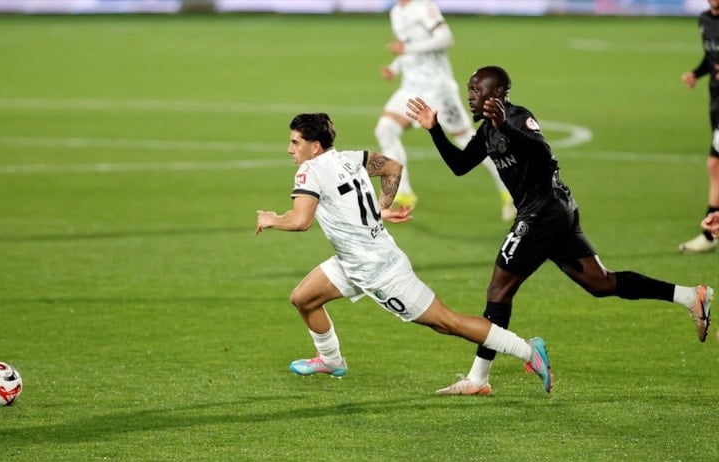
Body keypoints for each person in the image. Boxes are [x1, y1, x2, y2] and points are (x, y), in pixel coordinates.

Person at [405, 66, 714, 396]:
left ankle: (479, 378)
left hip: (543, 212)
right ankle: (690, 297)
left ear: (496, 94)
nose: (470, 96)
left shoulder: (518, 118)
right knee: (600, 282)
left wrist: (505, 127)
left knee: (499, 289)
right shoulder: (486, 131)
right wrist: (435, 130)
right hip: (551, 212)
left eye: (475, 89)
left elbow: (542, 153)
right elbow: (460, 165)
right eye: (469, 89)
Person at [255, 112, 552, 394]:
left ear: (315, 147)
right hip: (354, 261)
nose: (290, 149)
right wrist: (380, 210)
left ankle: (528, 350)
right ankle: (331, 360)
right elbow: (392, 167)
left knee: (446, 322)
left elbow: (301, 221)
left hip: (380, 272)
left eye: (295, 142)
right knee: (303, 298)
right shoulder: (351, 158)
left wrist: (272, 219)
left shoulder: (309, 171)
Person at [375, 0, 515, 221]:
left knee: (468, 142)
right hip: (410, 89)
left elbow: (445, 38)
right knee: (385, 130)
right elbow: (407, 46)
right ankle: (404, 193)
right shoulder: (396, 12)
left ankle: (510, 189)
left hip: (438, 90)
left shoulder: (424, 7)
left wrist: (407, 49)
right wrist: (394, 68)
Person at [679, 0, 719, 253]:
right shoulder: (704, 20)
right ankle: (711, 232)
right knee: (716, 166)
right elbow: (711, 58)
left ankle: (709, 234)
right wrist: (696, 73)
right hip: (715, 99)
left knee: (715, 164)